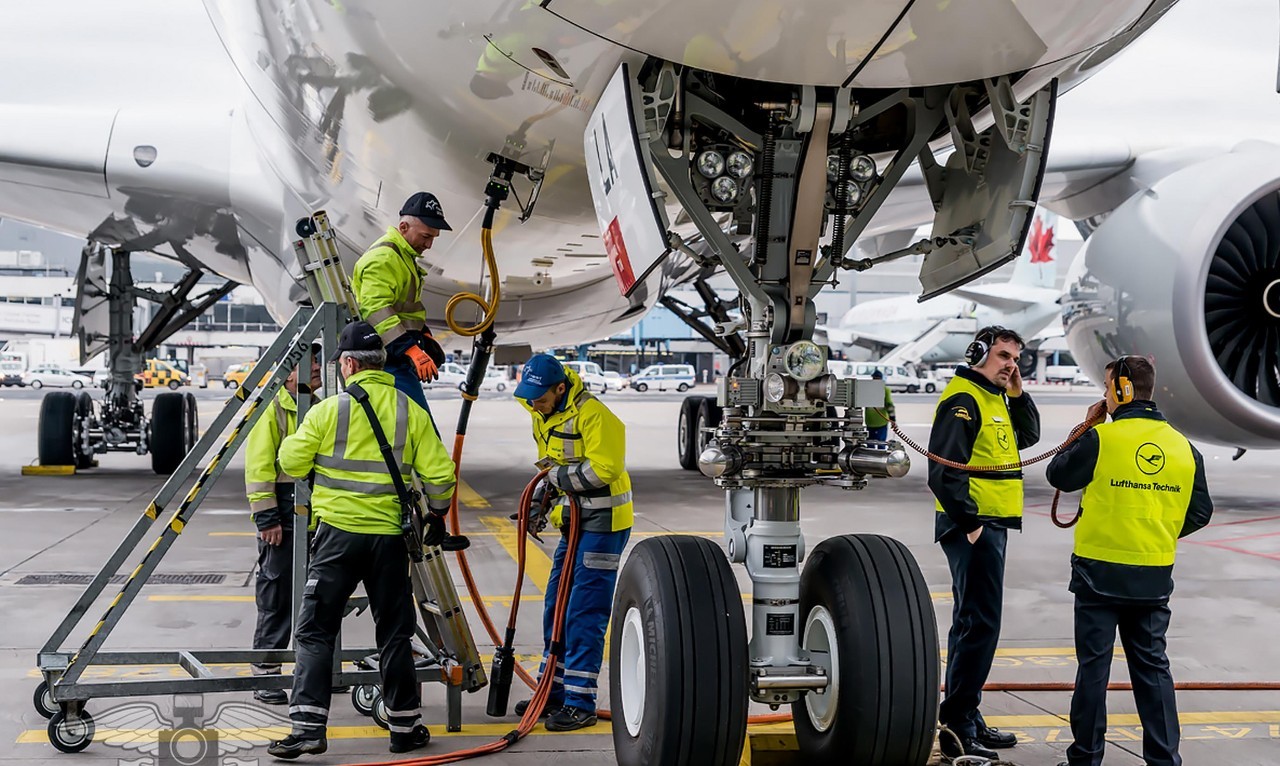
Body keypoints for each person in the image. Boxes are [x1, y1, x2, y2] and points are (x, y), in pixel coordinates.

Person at [267, 321, 457, 759]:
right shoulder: (410, 409)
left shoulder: (328, 410)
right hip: (389, 540)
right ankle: (404, 728)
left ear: (349, 364)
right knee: (395, 633)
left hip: (337, 538)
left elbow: (290, 462)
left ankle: (309, 728)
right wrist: (437, 513)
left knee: (316, 631)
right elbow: (441, 477)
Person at [1047, 356, 1213, 766]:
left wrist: (1087, 426)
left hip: (1097, 575)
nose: (1104, 395)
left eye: (1106, 387)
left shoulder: (1103, 439)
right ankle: (1164, 759)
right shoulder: (1183, 447)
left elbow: (1059, 476)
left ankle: (1085, 757)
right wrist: (1157, 530)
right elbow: (1200, 512)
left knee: (1094, 671)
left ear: (1120, 391)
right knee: (1153, 669)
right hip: (1153, 577)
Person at [927, 326, 1040, 761]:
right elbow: (943, 468)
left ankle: (965, 715)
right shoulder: (964, 400)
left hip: (991, 525)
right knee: (980, 624)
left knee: (973, 623)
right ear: (978, 353)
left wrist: (1017, 390)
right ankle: (957, 724)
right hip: (975, 526)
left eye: (1015, 358)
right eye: (1003, 356)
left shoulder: (992, 397)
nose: (1010, 363)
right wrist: (969, 521)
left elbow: (1026, 437)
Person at [512, 354, 633, 732]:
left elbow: (605, 468)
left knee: (585, 610)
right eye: (530, 397)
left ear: (560, 388)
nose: (534, 405)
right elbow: (549, 461)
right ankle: (554, 688)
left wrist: (557, 480)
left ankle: (580, 701)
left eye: (541, 398)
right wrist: (540, 500)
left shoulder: (594, 415)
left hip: (603, 522)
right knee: (557, 602)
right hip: (574, 522)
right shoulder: (539, 407)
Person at [244, 346, 322, 704]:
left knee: (318, 595)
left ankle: (320, 669)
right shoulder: (273, 408)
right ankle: (266, 674)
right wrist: (267, 517)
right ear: (290, 372)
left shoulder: (320, 404)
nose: (319, 368)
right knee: (276, 594)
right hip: (284, 512)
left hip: (314, 512)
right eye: (312, 363)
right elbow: (259, 468)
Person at [351, 191, 451, 413]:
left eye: (433, 238)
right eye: (426, 236)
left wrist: (422, 334)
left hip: (396, 357)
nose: (429, 244)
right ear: (404, 227)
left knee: (410, 429)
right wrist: (411, 350)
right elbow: (376, 310)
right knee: (421, 430)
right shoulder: (384, 259)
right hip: (387, 361)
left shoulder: (401, 257)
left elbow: (404, 310)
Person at [865, 368, 896, 441]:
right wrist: (893, 419)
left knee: (870, 445)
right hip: (882, 422)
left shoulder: (867, 389)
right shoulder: (885, 389)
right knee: (881, 444)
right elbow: (889, 405)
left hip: (870, 422)